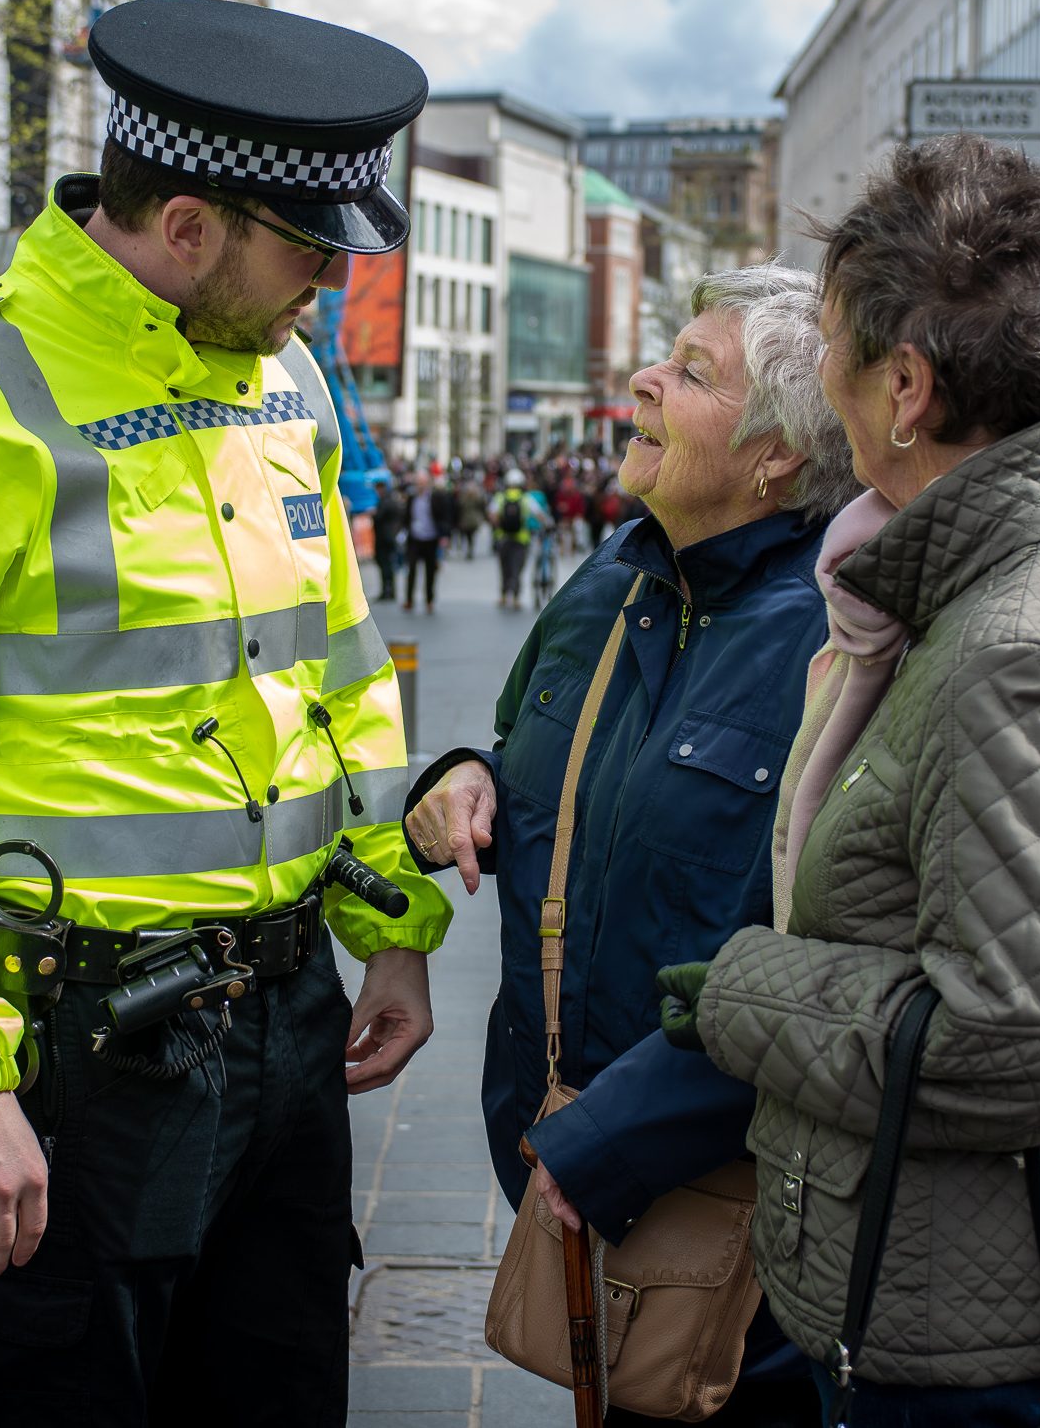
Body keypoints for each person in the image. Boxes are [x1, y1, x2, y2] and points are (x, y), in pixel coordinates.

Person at [0, 0, 449, 1426]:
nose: (326, 286)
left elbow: (337, 675)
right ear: (193, 224)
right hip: (73, 1052)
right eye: (307, 247)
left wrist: (390, 929)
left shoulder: (286, 381)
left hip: (282, 1021)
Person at [673, 138, 1040, 1424]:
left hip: (979, 1322)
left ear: (907, 386)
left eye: (830, 346)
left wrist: (743, 990)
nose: (822, 379)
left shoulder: (1016, 648)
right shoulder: (1029, 566)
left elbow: (1010, 1040)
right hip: (982, 1272)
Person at [406, 266, 859, 1427]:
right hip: (567, 1165)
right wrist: (457, 781)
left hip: (731, 1214)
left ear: (778, 458)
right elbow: (537, 773)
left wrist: (615, 1135)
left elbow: (821, 956)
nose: (645, 378)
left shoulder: (832, 643)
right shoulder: (610, 582)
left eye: (692, 372)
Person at [490, 470, 545, 610]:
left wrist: (499, 527)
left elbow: (493, 515)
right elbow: (539, 514)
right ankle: (516, 598)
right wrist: (548, 524)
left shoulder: (500, 497)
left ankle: (503, 595)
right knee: (517, 568)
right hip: (521, 539)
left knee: (504, 567)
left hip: (503, 537)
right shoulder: (525, 498)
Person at [403, 473, 452, 613]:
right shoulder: (412, 498)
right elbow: (406, 516)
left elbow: (444, 517)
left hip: (431, 538)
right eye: (418, 483)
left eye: (423, 483)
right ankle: (409, 600)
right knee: (411, 569)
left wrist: (444, 536)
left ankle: (429, 600)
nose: (420, 485)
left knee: (430, 571)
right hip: (414, 538)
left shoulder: (436, 498)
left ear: (428, 483)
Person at [370, 478, 408, 604]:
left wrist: (373, 514)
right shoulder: (393, 500)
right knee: (389, 565)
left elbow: (379, 517)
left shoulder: (385, 501)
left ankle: (387, 591)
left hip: (384, 537)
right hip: (391, 536)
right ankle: (390, 590)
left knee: (385, 564)